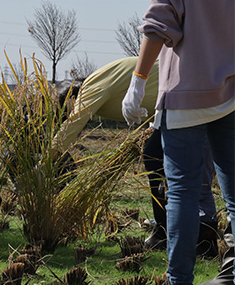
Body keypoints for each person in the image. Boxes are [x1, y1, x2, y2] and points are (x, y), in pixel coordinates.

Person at [121, 0, 234, 284]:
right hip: (233, 95)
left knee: (183, 192)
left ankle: (178, 279)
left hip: (186, 95)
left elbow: (159, 25)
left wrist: (137, 82)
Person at [54, 57, 219, 255]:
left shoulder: (90, 89)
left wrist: (46, 161)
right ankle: (165, 229)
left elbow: (72, 125)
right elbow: (152, 94)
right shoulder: (99, 81)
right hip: (173, 100)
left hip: (192, 96)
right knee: (154, 155)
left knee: (192, 166)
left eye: (65, 112)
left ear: (71, 100)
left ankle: (203, 238)